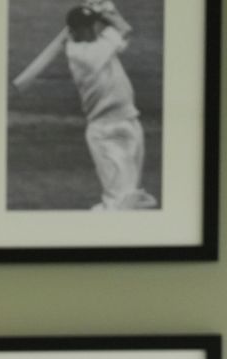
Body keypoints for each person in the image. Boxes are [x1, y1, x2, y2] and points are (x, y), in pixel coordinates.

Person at [64, 0, 158, 210]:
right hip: (106, 131)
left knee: (130, 195)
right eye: (85, 27)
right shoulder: (83, 55)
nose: (91, 31)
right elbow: (123, 28)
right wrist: (107, 10)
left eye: (92, 25)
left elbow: (120, 33)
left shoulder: (98, 43)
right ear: (75, 31)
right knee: (119, 201)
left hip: (129, 121)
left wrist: (105, 11)